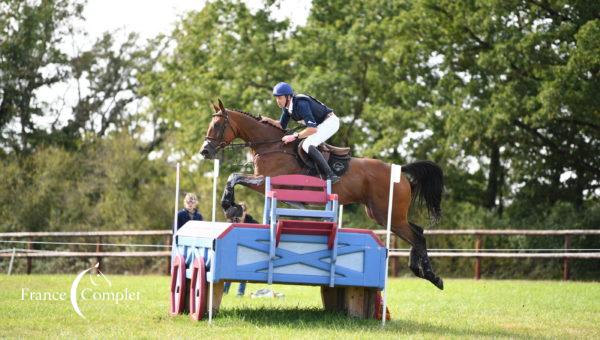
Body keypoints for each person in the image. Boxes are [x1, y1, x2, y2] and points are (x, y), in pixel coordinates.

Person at [261, 82, 341, 183]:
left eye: (280, 97)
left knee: (307, 144)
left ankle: (331, 175)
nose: (278, 101)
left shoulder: (301, 104)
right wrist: (269, 120)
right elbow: (281, 125)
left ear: (288, 97)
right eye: (276, 98)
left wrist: (295, 136)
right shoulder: (287, 108)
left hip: (330, 122)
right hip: (320, 125)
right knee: (303, 143)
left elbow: (312, 129)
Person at [223, 202, 256, 297]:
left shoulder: (252, 222)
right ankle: (225, 291)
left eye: (243, 211)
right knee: (230, 270)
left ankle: (240, 293)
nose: (241, 213)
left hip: (246, 250)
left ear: (246, 212)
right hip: (233, 249)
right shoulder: (231, 221)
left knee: (244, 270)